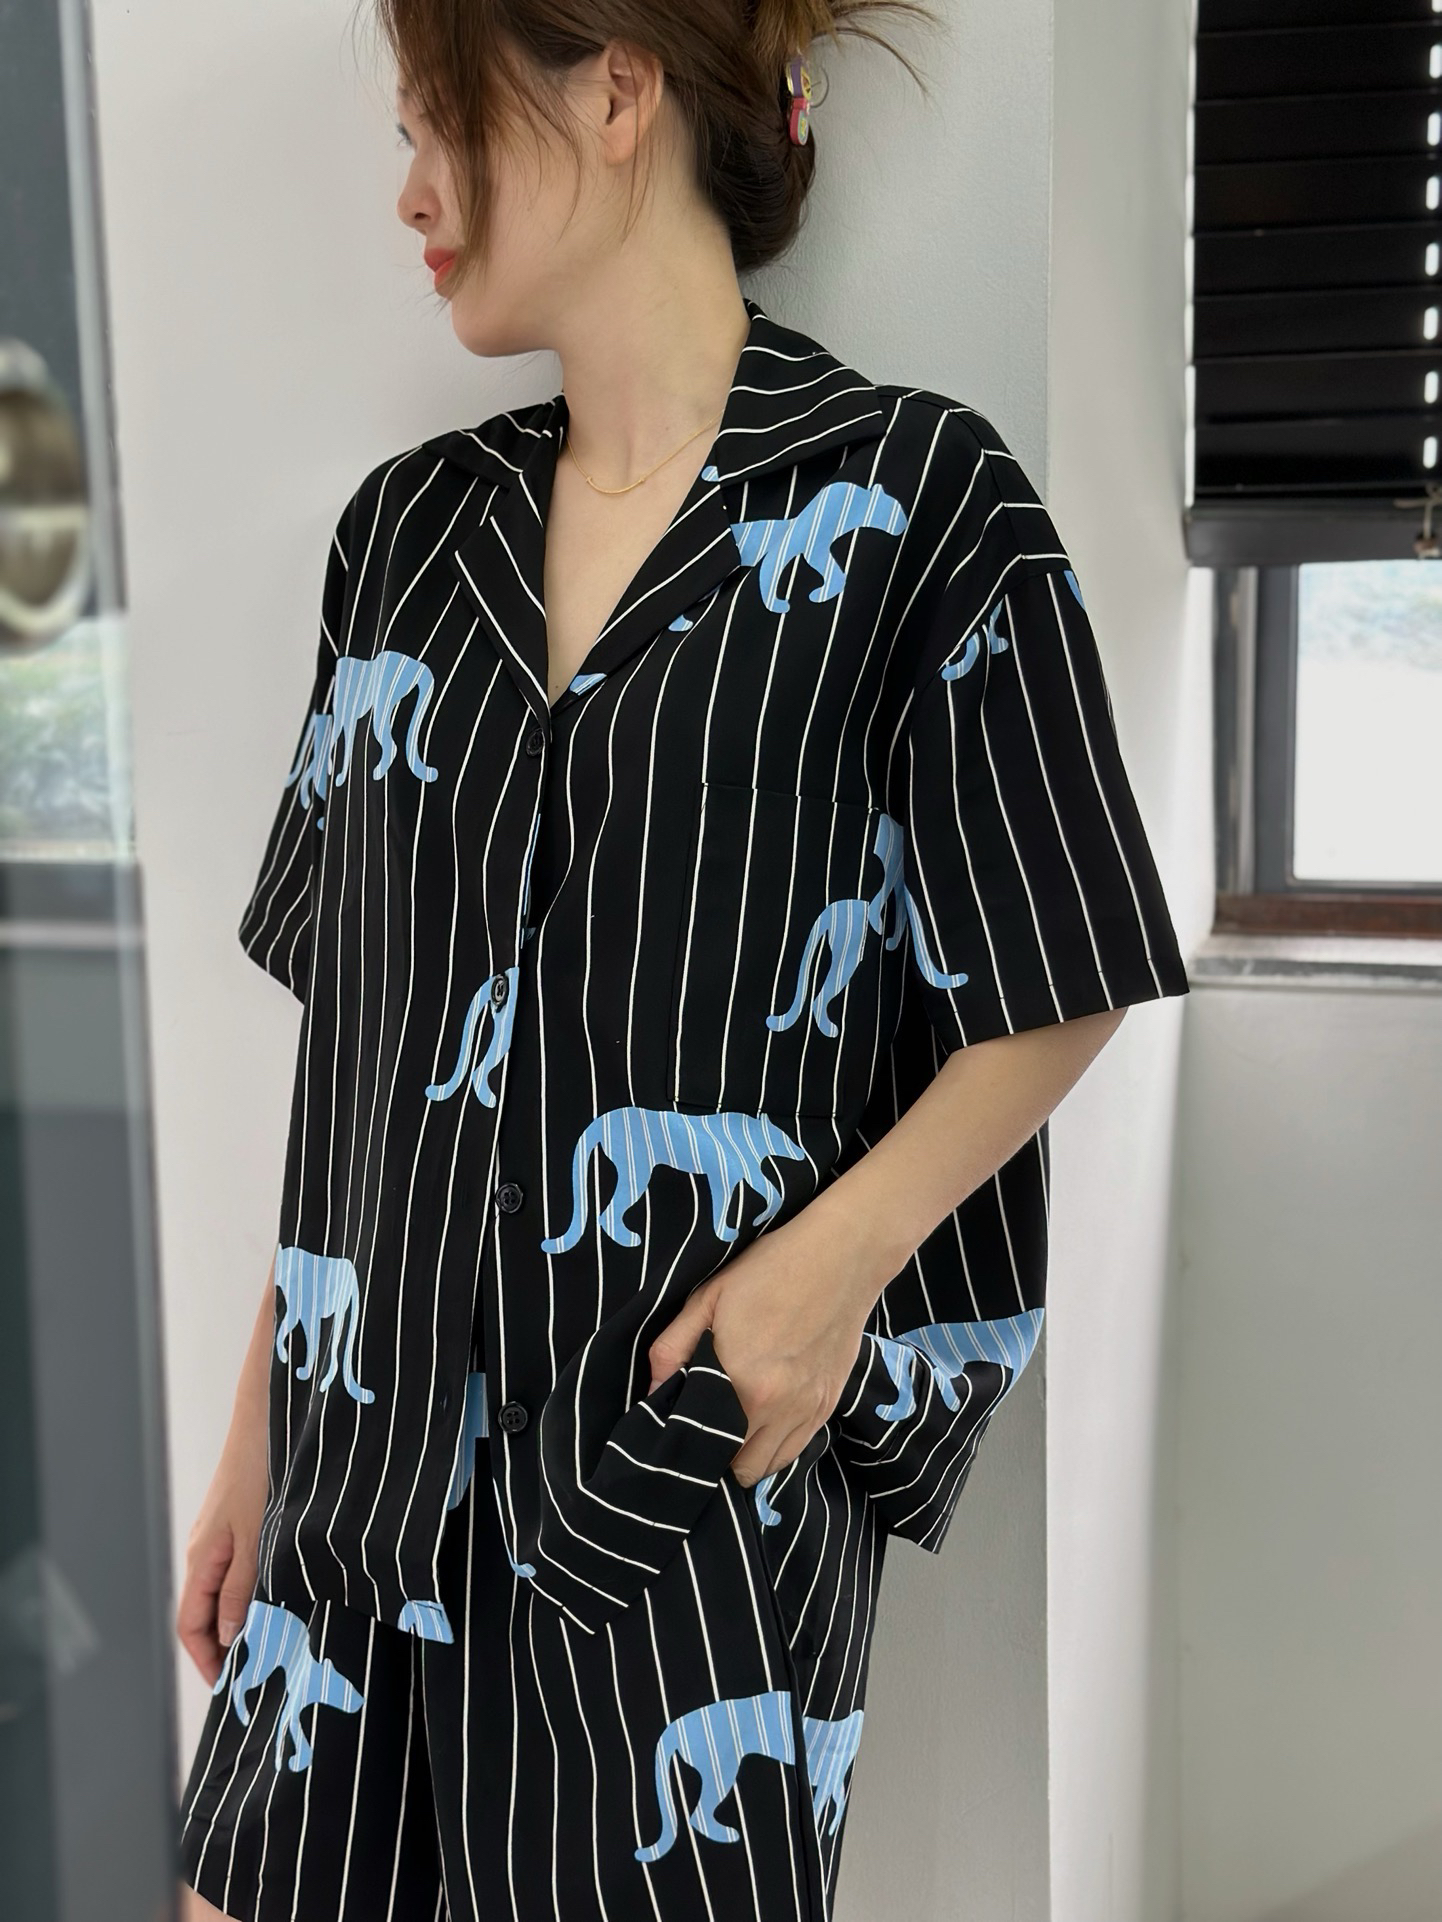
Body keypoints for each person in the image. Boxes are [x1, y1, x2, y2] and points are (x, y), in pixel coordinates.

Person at [175, 4, 1190, 1918]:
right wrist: (255, 1432)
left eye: (437, 126)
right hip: (349, 1512)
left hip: (665, 1516)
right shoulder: (404, 542)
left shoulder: (919, 504)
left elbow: (1065, 961)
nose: (410, 195)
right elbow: (359, 1052)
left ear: (614, 89)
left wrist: (830, 1267)